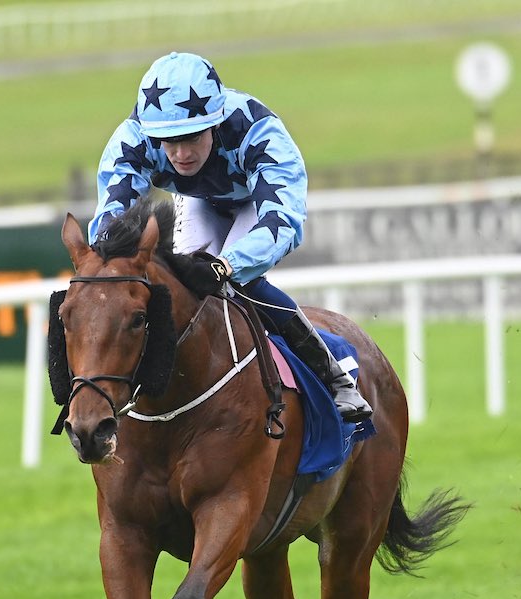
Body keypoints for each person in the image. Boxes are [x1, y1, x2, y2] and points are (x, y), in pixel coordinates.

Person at [89, 51, 372, 421]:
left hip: (257, 204)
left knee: (241, 284)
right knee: (181, 287)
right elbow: (111, 224)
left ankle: (333, 377)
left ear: (216, 123)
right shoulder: (134, 139)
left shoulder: (258, 131)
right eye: (167, 141)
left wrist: (227, 265)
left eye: (191, 137)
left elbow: (280, 222)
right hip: (197, 202)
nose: (179, 153)